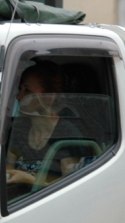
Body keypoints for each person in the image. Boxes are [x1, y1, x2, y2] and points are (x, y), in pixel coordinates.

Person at [5, 61, 84, 200]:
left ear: (49, 98)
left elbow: (70, 190)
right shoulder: (19, 128)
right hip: (16, 204)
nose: (19, 97)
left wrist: (29, 179)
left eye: (27, 91)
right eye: (20, 89)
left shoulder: (66, 133)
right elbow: (8, 172)